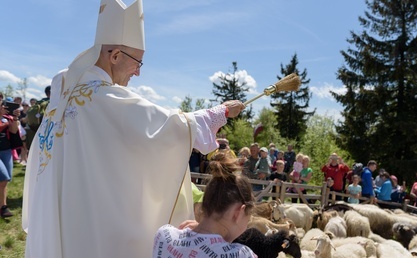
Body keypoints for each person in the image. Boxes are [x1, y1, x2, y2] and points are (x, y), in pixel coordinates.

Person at [21, 1, 245, 257]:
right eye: (138, 62)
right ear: (114, 55)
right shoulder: (100, 98)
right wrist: (222, 111)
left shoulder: (65, 93)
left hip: (57, 216)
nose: (138, 73)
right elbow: (167, 127)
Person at [153, 152, 257, 258]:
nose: (245, 228)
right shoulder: (243, 255)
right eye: (247, 221)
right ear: (238, 213)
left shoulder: (164, 235)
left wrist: (201, 234)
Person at [0, 101, 20, 217]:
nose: (3, 106)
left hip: (6, 151)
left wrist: (15, 117)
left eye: (3, 104)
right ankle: (3, 208)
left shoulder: (7, 118)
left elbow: (13, 131)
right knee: (3, 178)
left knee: (5, 180)